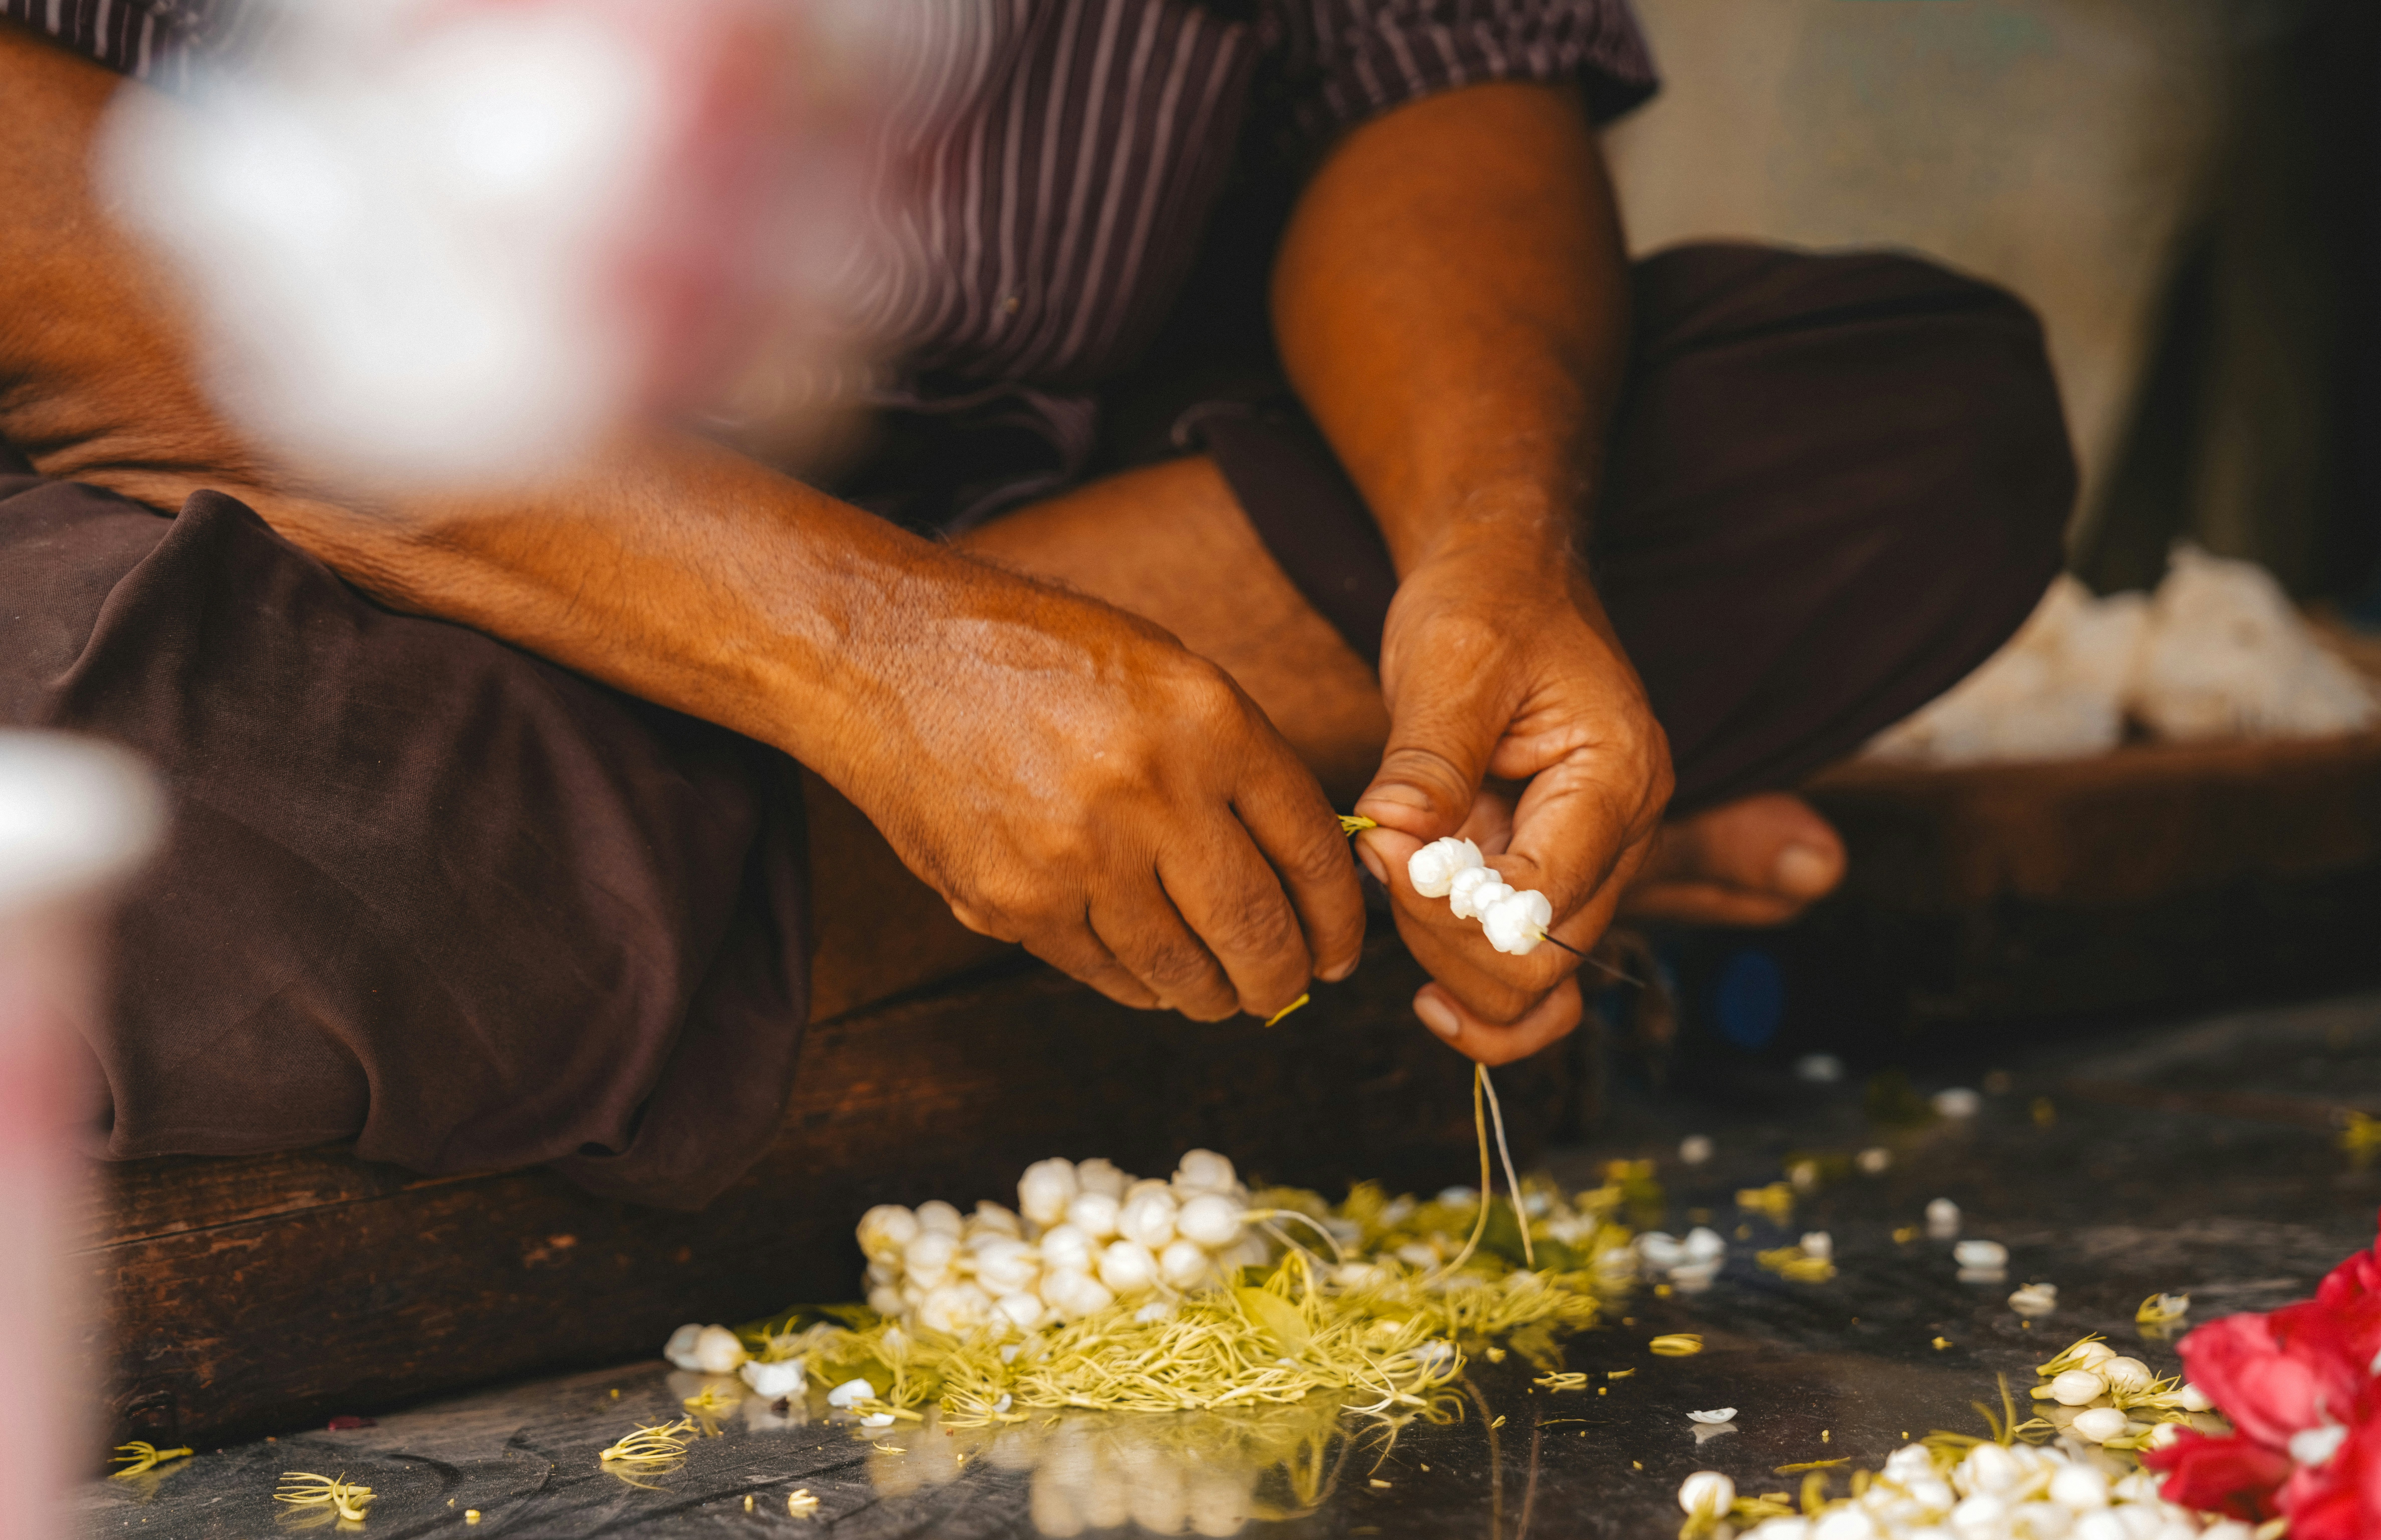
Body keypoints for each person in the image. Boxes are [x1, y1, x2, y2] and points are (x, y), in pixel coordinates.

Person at [0, 2, 2073, 1207]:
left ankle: (866, 865)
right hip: (281, 499)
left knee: (1887, 420)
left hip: (1046, 496)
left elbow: (1431, 71)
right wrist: (870, 660)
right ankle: (1202, 856)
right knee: (92, 778)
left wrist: (1490, 546)